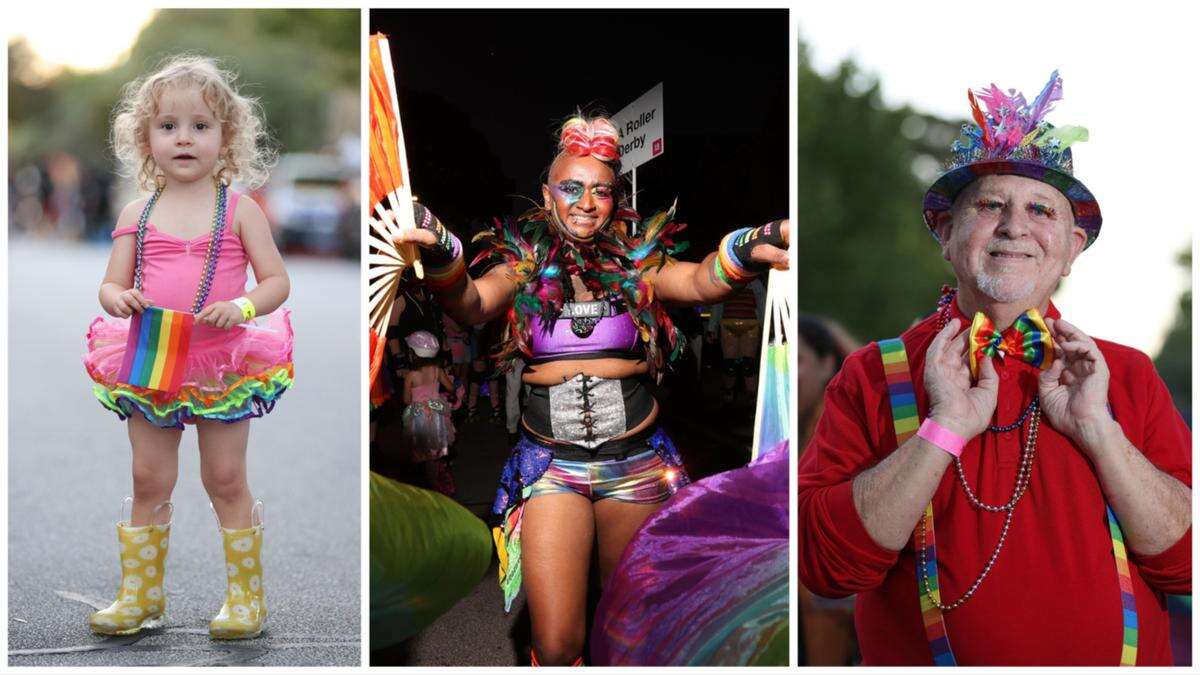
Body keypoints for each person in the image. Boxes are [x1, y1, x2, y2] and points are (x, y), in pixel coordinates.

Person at [797, 72, 1191, 666]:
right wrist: (943, 428)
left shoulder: (1126, 374)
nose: (1015, 226)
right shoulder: (872, 374)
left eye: (1041, 210)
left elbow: (1187, 565)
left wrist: (1100, 431)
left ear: (1071, 248)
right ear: (946, 232)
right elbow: (826, 569)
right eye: (990, 206)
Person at [391, 114, 788, 666]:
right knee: (556, 645)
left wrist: (750, 246)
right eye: (571, 188)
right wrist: (439, 247)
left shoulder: (636, 263)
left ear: (615, 199)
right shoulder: (523, 267)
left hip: (637, 466)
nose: (586, 202)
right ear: (547, 195)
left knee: (629, 634)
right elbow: (472, 303)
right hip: (551, 468)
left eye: (601, 190)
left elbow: (698, 281)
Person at [83, 55, 292, 640]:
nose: (184, 138)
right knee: (149, 478)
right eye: (168, 126)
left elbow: (276, 281)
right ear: (145, 139)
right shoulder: (137, 212)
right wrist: (117, 298)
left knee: (225, 477)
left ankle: (246, 600)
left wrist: (245, 306)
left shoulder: (241, 210)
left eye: (201, 126)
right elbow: (109, 283)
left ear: (226, 139)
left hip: (223, 363)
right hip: (152, 357)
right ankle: (140, 597)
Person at [400, 331, 457, 495]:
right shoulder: (437, 370)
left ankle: (433, 486)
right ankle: (441, 477)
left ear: (413, 353)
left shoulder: (411, 375)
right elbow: (450, 388)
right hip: (436, 415)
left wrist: (419, 400)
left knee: (424, 453)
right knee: (436, 450)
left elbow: (405, 400)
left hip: (419, 417)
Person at [706, 278, 765, 402]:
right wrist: (712, 328)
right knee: (730, 364)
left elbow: (762, 303)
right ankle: (729, 393)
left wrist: (766, 326)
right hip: (729, 325)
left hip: (749, 325)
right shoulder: (725, 280)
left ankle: (752, 396)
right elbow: (718, 305)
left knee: (748, 364)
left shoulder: (755, 282)